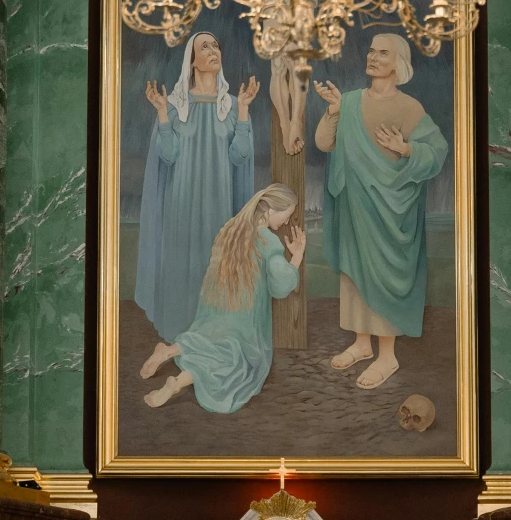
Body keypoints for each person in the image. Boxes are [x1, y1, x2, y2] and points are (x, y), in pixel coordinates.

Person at [315, 32, 448, 390]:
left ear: (398, 64)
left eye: (383, 54)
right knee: (356, 272)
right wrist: (333, 110)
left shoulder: (409, 108)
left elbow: (436, 152)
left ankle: (386, 355)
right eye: (371, 51)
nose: (373, 58)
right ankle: (361, 344)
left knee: (385, 277)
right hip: (354, 205)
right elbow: (324, 143)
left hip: (392, 210)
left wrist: (406, 150)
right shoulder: (352, 101)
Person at [136, 31, 258, 350]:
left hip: (219, 205)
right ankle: (182, 336)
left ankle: (213, 339)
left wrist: (244, 111)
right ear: (192, 59)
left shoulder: (231, 106)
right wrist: (162, 113)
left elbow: (240, 156)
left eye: (216, 45)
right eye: (205, 46)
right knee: (183, 267)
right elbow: (170, 155)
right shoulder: (176, 106)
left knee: (215, 268)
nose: (214, 50)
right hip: (182, 203)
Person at [142, 183, 303, 411]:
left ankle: (170, 351)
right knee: (237, 364)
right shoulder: (267, 239)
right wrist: (296, 257)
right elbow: (280, 285)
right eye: (286, 215)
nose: (286, 222)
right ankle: (176, 383)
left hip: (216, 309)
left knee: (210, 343)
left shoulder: (231, 228)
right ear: (270, 211)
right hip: (245, 317)